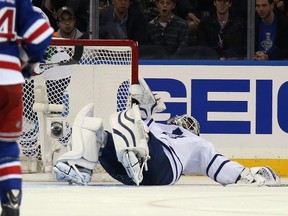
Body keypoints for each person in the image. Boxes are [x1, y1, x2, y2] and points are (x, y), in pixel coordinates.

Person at [53, 77, 281, 187]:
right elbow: (141, 120)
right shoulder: (159, 127)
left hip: (164, 167)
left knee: (127, 119)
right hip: (130, 173)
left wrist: (245, 174)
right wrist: (145, 106)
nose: (183, 123)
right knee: (96, 129)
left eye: (188, 124)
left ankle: (136, 158)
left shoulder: (196, 143)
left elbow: (217, 164)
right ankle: (81, 167)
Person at [0, 0, 53, 215]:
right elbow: (41, 34)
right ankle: (11, 201)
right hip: (10, 80)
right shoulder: (16, 4)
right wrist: (32, 62)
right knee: (6, 149)